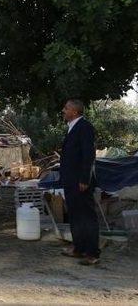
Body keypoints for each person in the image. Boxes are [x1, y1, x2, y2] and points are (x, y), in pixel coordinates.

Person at [59, 99, 100, 265]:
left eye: (66, 108)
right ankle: (78, 248)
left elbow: (89, 155)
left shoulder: (85, 127)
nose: (63, 110)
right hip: (71, 180)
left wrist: (85, 178)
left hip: (80, 181)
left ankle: (92, 253)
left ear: (74, 112)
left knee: (87, 217)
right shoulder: (72, 127)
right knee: (75, 215)